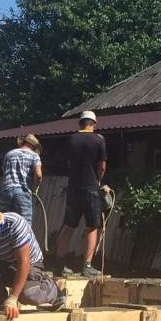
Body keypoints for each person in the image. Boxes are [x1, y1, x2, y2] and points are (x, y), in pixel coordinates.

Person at [51, 110, 107, 277]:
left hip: (74, 187)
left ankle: (59, 264)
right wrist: (98, 181)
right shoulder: (99, 139)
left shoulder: (72, 139)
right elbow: (102, 166)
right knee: (92, 226)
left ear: (80, 123)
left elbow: (67, 162)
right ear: (94, 124)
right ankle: (87, 266)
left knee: (69, 225)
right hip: (91, 187)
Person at [0, 133, 42, 224]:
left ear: (22, 143)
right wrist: (35, 189)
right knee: (25, 224)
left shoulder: (9, 154)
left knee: (1, 221)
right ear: (33, 146)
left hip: (6, 190)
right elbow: (38, 175)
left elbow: (4, 172)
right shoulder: (34, 156)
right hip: (23, 191)